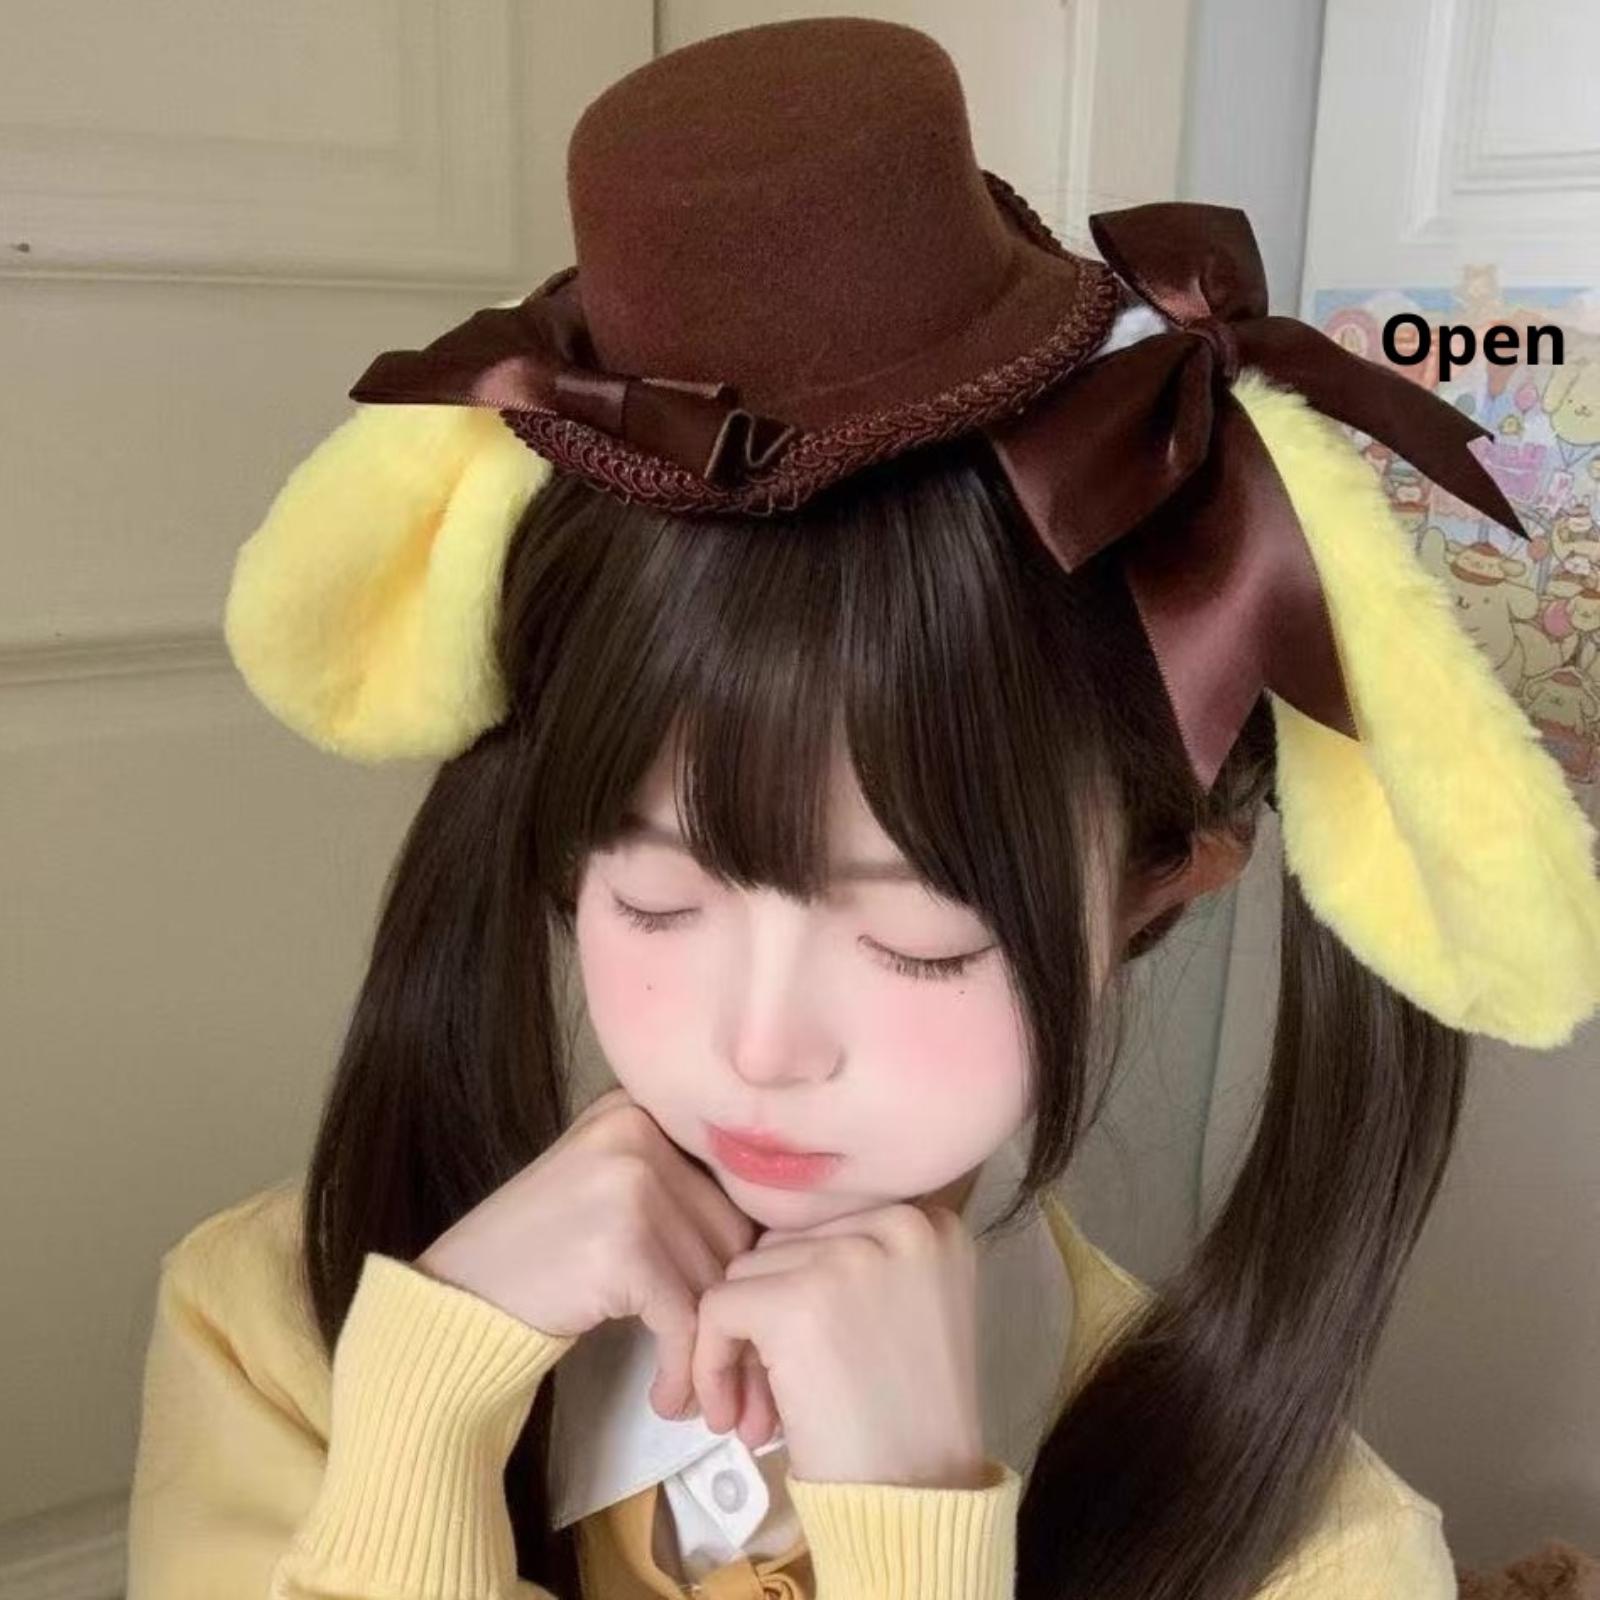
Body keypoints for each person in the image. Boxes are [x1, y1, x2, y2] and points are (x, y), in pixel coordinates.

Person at [125, 17, 1600, 1600]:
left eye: (914, 939)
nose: (760, 1046)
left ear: (1157, 887)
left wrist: (913, 1527)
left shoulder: (1321, 1559)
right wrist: (421, 1423)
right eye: (656, 902)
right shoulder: (279, 1328)